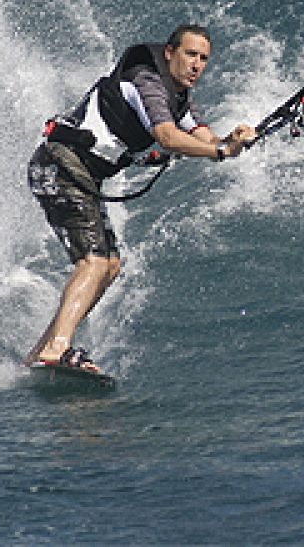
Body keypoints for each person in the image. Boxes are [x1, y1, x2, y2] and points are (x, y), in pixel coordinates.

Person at [24, 24, 256, 374]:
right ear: (169, 53)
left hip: (81, 176)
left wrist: (234, 141)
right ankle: (58, 348)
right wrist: (220, 152)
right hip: (59, 164)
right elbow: (168, 137)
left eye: (204, 59)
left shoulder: (180, 103)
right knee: (94, 262)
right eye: (190, 54)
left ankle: (42, 351)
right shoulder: (145, 81)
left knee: (110, 266)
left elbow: (208, 140)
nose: (197, 65)